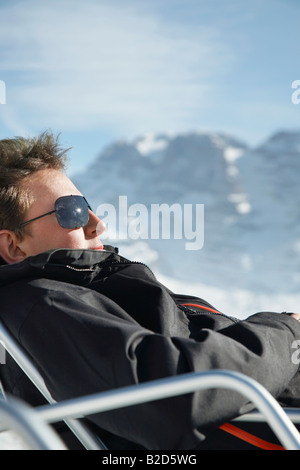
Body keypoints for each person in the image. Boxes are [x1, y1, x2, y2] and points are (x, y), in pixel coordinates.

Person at [0, 131, 300, 450]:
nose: (97, 224)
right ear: (13, 245)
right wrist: (288, 331)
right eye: (70, 211)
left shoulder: (92, 288)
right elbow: (176, 398)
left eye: (87, 205)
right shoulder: (42, 305)